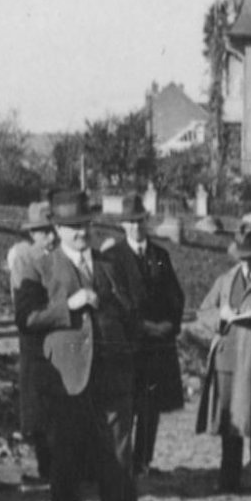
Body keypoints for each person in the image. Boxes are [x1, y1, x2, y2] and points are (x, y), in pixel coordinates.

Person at [19, 188, 151, 501]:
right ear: (57, 229)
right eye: (73, 226)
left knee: (119, 461)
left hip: (112, 378)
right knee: (66, 463)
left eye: (86, 225)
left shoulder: (110, 264)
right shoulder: (41, 268)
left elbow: (132, 311)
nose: (81, 233)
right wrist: (68, 306)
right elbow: (26, 318)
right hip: (67, 380)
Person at [194, 220, 251, 495]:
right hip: (228, 359)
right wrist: (220, 317)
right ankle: (229, 477)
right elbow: (203, 312)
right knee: (229, 421)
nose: (247, 262)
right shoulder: (226, 280)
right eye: (243, 256)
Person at [100, 200, 186, 475]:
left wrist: (169, 323)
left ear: (147, 222)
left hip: (158, 344)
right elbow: (115, 300)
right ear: (122, 225)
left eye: (140, 221)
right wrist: (141, 326)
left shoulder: (160, 255)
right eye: (131, 222)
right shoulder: (112, 257)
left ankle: (143, 461)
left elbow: (175, 295)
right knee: (126, 405)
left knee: (152, 406)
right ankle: (122, 462)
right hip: (130, 343)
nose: (136, 226)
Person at [5, 201, 58, 484]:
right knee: (40, 409)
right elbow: (26, 307)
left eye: (52, 230)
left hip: (55, 340)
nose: (50, 237)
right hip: (36, 341)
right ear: (32, 233)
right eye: (43, 232)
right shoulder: (25, 258)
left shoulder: (54, 255)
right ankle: (45, 466)